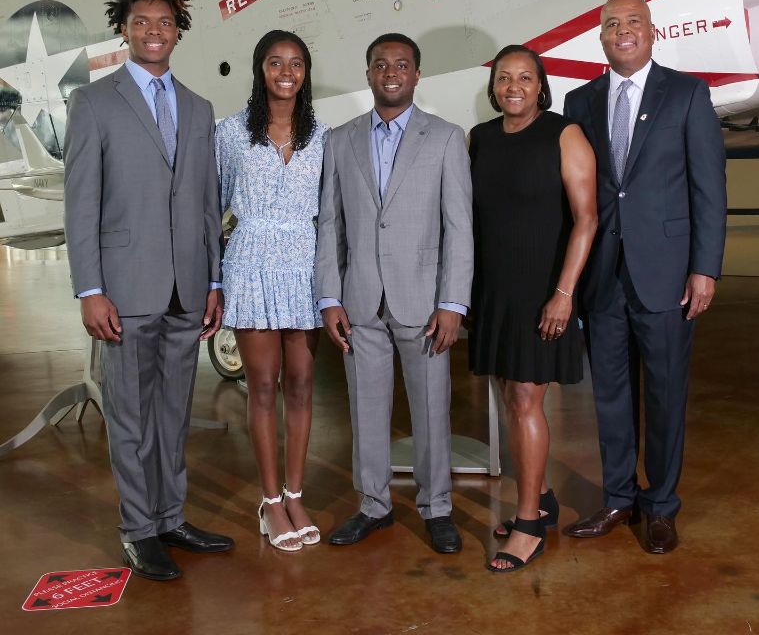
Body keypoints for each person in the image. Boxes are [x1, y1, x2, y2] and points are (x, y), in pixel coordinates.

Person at [64, 0, 233, 581]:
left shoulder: (198, 106)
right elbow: (80, 203)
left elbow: (208, 206)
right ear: (124, 31)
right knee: (130, 417)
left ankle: (170, 516)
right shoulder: (93, 103)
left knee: (172, 415)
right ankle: (138, 530)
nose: (154, 31)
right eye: (142, 23)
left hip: (187, 289)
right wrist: (90, 289)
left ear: (178, 32)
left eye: (164, 22)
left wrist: (214, 281)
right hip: (124, 291)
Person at [563, 0, 727, 553]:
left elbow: (709, 189)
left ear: (652, 32)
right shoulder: (579, 101)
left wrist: (704, 269)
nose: (622, 31)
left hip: (666, 274)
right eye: (611, 24)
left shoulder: (687, 93)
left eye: (633, 22)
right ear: (601, 38)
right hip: (603, 276)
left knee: (662, 395)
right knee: (608, 394)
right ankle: (617, 498)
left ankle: (660, 506)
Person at [315, 33, 473, 553]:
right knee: (366, 409)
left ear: (416, 74)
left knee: (432, 409)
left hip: (424, 304)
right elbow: (330, 226)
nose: (390, 72)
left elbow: (459, 229)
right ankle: (373, 505)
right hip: (360, 302)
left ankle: (438, 508)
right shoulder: (340, 139)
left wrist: (452, 304)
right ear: (368, 74)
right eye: (380, 63)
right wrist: (329, 297)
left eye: (401, 64)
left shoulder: (446, 138)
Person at [469, 46, 597, 572]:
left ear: (540, 85)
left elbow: (586, 218)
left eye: (525, 77)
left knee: (525, 399)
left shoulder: (564, 134)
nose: (513, 86)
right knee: (507, 393)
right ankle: (541, 497)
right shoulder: (480, 138)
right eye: (504, 78)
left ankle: (526, 525)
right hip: (494, 289)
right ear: (494, 87)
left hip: (544, 291)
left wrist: (564, 294)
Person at [216, 30, 326, 552]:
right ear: (260, 69)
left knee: (302, 385)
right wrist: (213, 281)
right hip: (253, 266)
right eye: (276, 62)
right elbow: (209, 209)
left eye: (297, 63)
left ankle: (295, 492)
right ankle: (269, 501)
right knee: (262, 386)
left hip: (305, 269)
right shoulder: (230, 133)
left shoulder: (322, 136)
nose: (287, 71)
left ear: (306, 73)